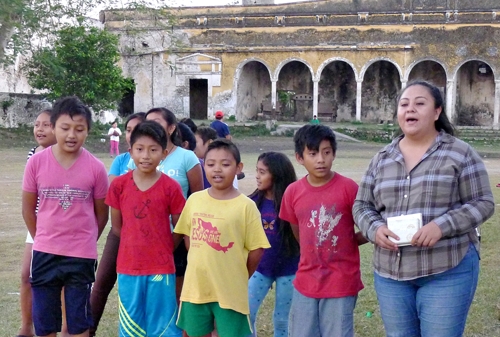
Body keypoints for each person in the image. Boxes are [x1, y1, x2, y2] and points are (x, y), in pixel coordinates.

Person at [353, 80, 495, 337]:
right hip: (391, 275)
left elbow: (483, 202)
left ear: (437, 112)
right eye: (404, 104)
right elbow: (362, 205)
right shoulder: (382, 158)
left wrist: (441, 226)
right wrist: (375, 229)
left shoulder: (459, 153)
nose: (410, 110)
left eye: (420, 104)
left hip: (447, 269)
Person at [22, 96, 109, 337]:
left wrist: (87, 238)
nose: (72, 135)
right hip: (45, 252)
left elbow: (102, 213)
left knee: (78, 324)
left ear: (87, 132)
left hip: (80, 256)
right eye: (65, 128)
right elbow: (28, 208)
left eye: (79, 129)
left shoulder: (96, 168)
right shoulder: (36, 163)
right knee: (45, 323)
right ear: (53, 127)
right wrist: (42, 237)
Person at [174, 139, 270, 337]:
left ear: (238, 168)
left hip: (230, 290)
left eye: (225, 164)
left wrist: (239, 273)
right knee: (193, 333)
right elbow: (187, 236)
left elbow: (257, 249)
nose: (217, 170)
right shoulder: (195, 200)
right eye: (210, 164)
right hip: (196, 288)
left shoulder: (246, 206)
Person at [279, 124, 366, 337]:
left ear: (334, 154)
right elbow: (298, 232)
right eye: (313, 153)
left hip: (341, 282)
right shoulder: (293, 192)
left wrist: (348, 241)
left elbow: (368, 227)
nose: (321, 159)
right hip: (306, 281)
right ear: (300, 158)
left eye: (326, 152)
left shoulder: (349, 189)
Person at [105, 120, 185, 337]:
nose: (146, 156)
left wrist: (167, 246)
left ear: (164, 153)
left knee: (163, 326)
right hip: (128, 266)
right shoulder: (119, 186)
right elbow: (117, 227)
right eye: (140, 149)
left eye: (153, 150)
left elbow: (180, 226)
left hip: (162, 268)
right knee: (131, 325)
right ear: (130, 151)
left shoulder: (171, 187)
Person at [130, 107, 204, 304]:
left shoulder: (187, 157)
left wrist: (177, 240)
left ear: (171, 128)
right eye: (148, 121)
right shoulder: (137, 159)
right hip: (143, 239)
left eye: (157, 121)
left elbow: (197, 199)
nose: (151, 125)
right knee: (146, 298)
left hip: (176, 238)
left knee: (175, 297)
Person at [89, 112, 146, 337]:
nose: (132, 134)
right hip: (120, 231)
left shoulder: (154, 159)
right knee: (101, 283)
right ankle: (88, 330)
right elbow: (116, 194)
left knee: (142, 290)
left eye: (138, 129)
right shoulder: (121, 160)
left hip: (148, 235)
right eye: (129, 130)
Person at [247, 152, 299, 337]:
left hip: (290, 270)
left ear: (276, 175)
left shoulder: (293, 201)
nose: (257, 176)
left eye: (262, 172)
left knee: (282, 320)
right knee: (246, 314)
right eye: (257, 171)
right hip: (259, 269)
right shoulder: (252, 202)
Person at [17, 109, 57, 337]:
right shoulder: (33, 153)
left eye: (46, 125)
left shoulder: (61, 154)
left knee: (57, 281)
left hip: (57, 225)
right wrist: (35, 229)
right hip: (36, 225)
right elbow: (29, 197)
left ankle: (63, 328)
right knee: (26, 274)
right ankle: (26, 327)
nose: (39, 129)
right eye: (36, 124)